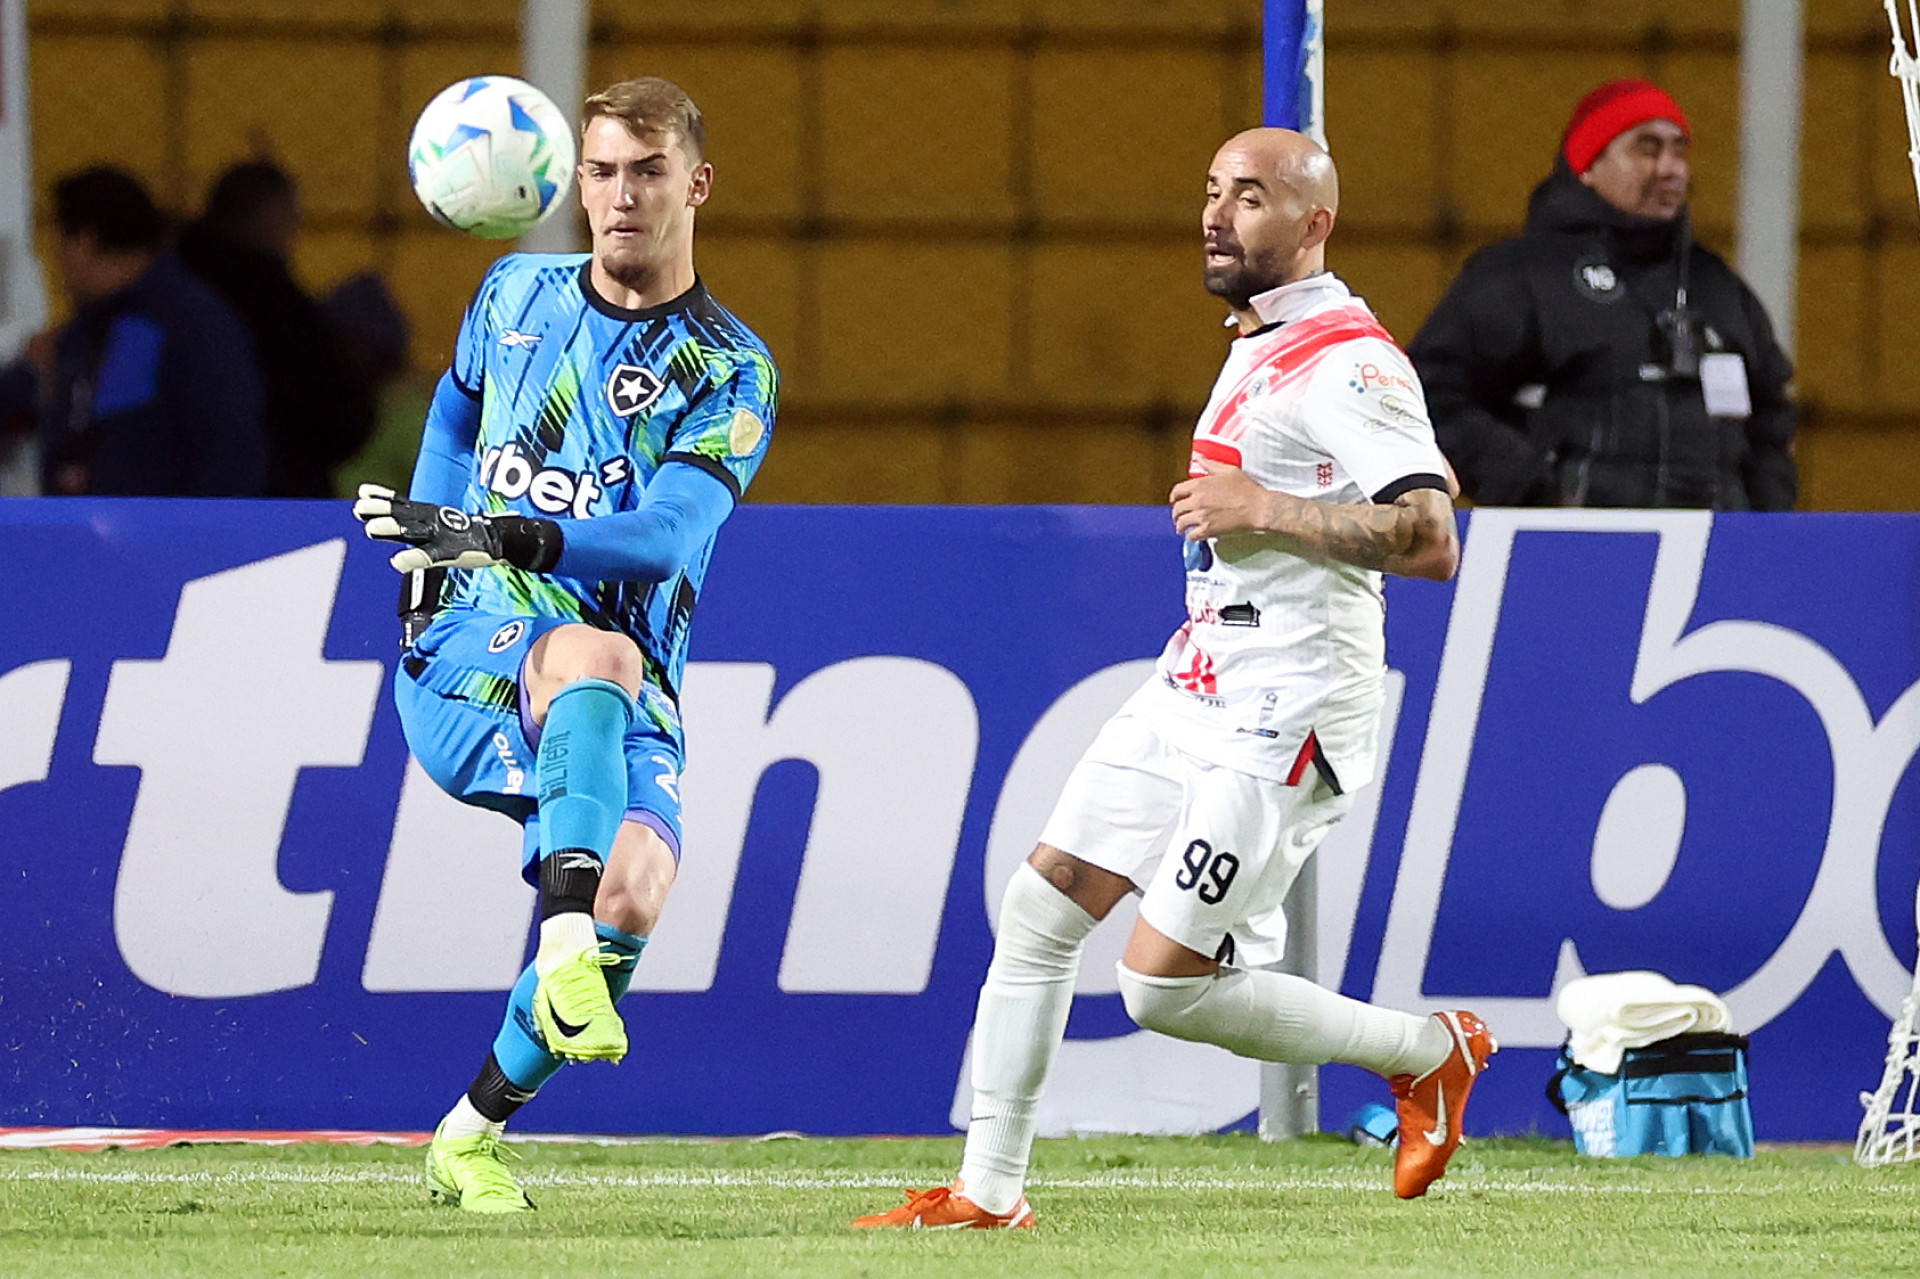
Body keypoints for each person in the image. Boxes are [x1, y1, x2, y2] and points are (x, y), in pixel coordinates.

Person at [853, 128, 1492, 1231]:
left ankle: (1429, 1053)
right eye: (1211, 191)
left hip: (1292, 701)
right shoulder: (1259, 336)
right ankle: (988, 1192)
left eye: (1249, 198)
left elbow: (1434, 537)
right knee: (1041, 901)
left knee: (1159, 985)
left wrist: (1268, 512)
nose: (1216, 214)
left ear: (1314, 224)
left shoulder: (1349, 357)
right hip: (1202, 673)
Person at [352, 76, 777, 1212]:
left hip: (607, 671)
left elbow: (662, 539)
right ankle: (561, 939)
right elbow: (452, 410)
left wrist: (506, 528)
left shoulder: (730, 367)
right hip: (476, 652)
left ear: (696, 183)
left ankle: (468, 1136)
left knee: (637, 888)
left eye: (646, 171)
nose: (620, 195)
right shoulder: (511, 294)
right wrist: (440, 553)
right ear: (574, 180)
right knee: (595, 657)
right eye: (600, 171)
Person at [1408, 80, 1796, 510]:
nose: (1670, 169)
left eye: (1678, 150)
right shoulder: (1523, 275)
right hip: (1572, 549)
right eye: (1647, 149)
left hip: (1715, 550)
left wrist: (1764, 522)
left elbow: (1771, 421)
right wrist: (1536, 488)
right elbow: (1431, 396)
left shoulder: (1718, 286)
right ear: (1587, 166)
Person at [39, 166, 267, 496]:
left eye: (60, 243)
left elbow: (232, 452)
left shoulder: (183, 327)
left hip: (158, 540)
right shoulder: (93, 330)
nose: (56, 261)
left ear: (84, 243)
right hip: (108, 535)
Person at [181, 160, 380, 497]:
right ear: (275, 217)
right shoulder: (276, 307)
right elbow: (333, 408)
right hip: (272, 494)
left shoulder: (168, 290)